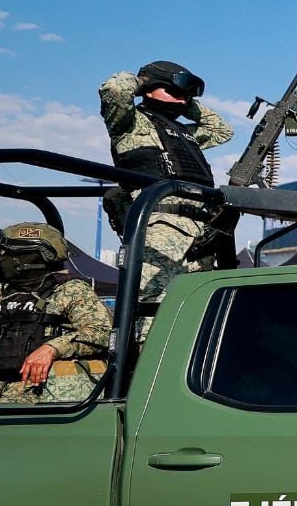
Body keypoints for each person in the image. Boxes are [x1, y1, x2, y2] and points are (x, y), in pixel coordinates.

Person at [99, 61, 234, 336]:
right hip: (159, 226)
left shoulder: (185, 132)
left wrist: (186, 104)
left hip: (199, 231)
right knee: (151, 319)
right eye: (173, 91)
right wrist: (142, 81)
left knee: (197, 316)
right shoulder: (130, 123)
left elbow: (222, 130)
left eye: (186, 95)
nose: (182, 98)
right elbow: (113, 89)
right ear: (149, 88)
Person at [0, 223, 112, 404]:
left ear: (26, 258)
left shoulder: (69, 290)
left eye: (4, 253)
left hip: (38, 389)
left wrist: (52, 348)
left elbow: (102, 333)